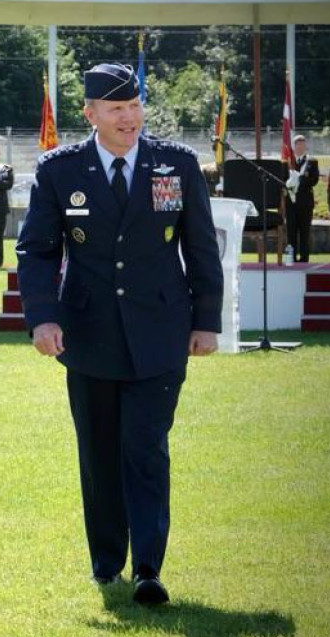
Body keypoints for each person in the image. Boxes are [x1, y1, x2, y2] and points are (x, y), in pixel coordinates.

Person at [16, 62, 223, 606]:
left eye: (134, 107)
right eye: (116, 109)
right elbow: (37, 251)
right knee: (100, 454)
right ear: (90, 114)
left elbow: (200, 246)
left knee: (146, 449)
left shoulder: (175, 166)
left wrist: (207, 320)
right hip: (88, 338)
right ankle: (108, 564)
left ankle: (149, 567)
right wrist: (43, 316)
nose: (128, 118)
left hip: (161, 333)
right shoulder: (59, 171)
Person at [284, 133, 320, 262]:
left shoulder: (312, 162)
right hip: (291, 203)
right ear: (294, 147)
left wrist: (300, 180)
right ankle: (291, 259)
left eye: (302, 144)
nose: (300, 147)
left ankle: (304, 260)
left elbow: (314, 180)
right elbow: (283, 180)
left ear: (305, 146)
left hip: (305, 203)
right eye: (297, 144)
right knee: (291, 233)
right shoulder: (288, 162)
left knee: (305, 233)